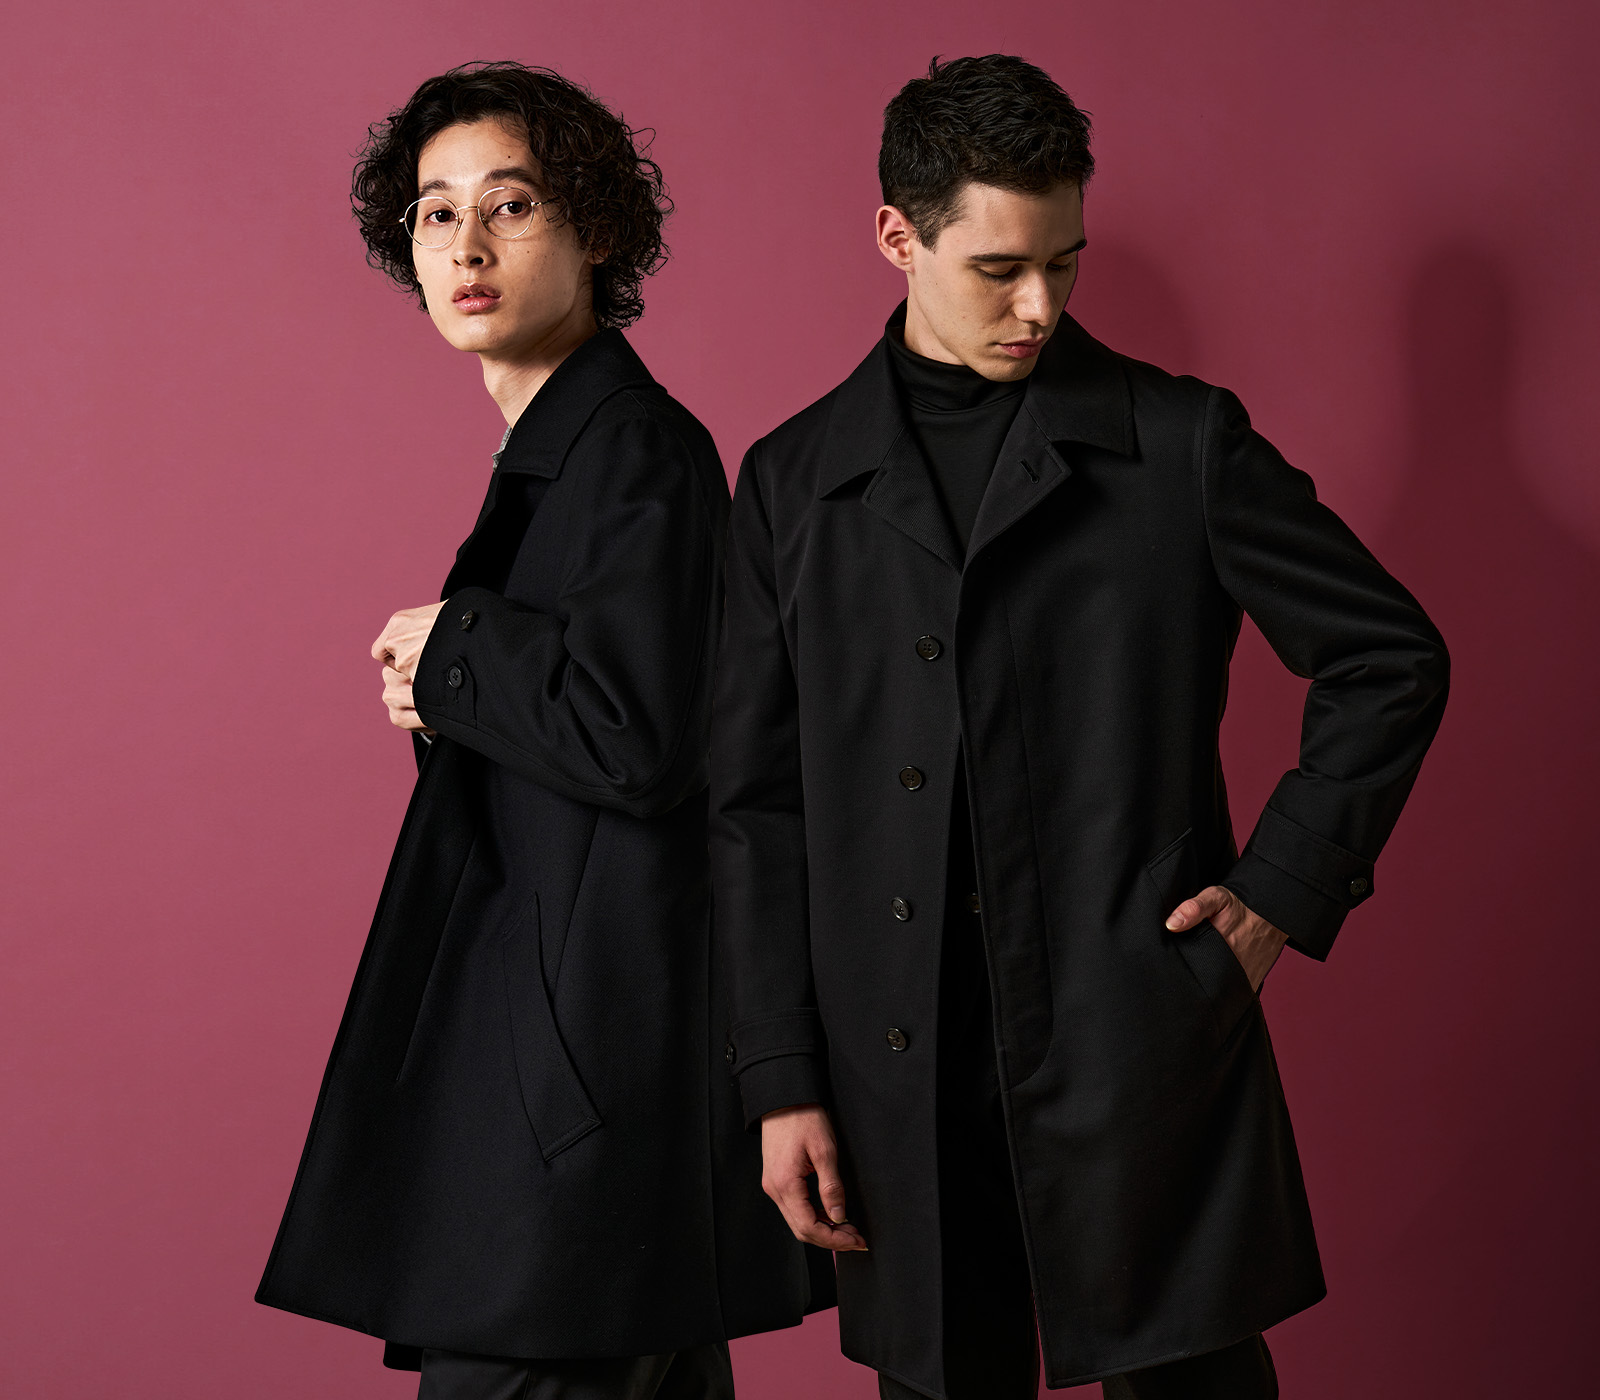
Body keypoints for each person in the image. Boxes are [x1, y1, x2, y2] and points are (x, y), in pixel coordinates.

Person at [710, 53, 1449, 1400]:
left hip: (1136, 1033)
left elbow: (1387, 658)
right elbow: (754, 803)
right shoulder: (791, 483)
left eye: (1064, 263)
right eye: (1000, 269)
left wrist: (1276, 896)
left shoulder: (1181, 443)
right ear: (896, 236)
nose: (1041, 306)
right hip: (897, 1068)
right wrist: (778, 1074)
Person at [256, 61, 831, 1399]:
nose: (466, 245)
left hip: (576, 1099)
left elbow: (642, 735)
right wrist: (450, 680)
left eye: (509, 206)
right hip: (581, 1083)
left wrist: (454, 648)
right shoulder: (567, 451)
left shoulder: (634, 448)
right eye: (435, 213)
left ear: (596, 230)